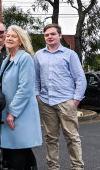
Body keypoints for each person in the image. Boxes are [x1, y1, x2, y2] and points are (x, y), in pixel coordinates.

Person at [34, 23, 87, 170]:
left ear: (59, 36)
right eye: (47, 35)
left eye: (52, 34)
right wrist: (37, 95)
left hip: (66, 101)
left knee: (72, 137)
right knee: (51, 138)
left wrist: (75, 100)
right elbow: (35, 78)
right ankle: (53, 167)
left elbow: (80, 78)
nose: (49, 37)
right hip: (45, 102)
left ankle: (77, 167)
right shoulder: (39, 55)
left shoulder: (70, 55)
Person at [0, 25, 42, 170]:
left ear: (21, 41)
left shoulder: (25, 59)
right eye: (8, 36)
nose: (9, 38)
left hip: (20, 113)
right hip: (9, 111)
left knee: (19, 149)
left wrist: (13, 113)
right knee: (18, 149)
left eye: (13, 36)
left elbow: (24, 89)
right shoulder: (7, 59)